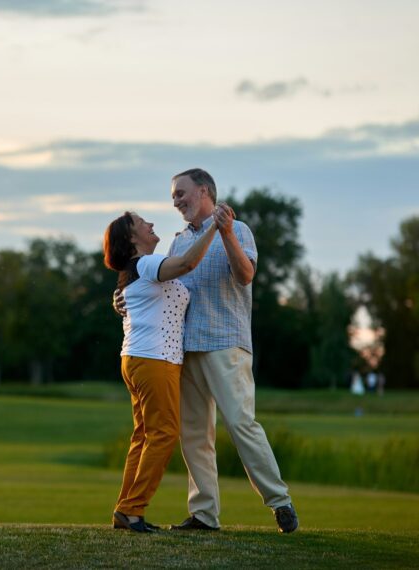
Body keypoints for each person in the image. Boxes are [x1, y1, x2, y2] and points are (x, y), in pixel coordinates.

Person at [116, 168, 298, 533]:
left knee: (241, 424)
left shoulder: (239, 229)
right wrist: (122, 297)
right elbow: (157, 287)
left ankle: (279, 501)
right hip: (183, 349)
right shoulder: (179, 242)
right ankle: (204, 514)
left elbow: (245, 275)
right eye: (173, 196)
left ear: (203, 191)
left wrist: (226, 231)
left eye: (181, 193)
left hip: (226, 343)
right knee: (196, 435)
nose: (176, 201)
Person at [103, 210, 219, 533]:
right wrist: (214, 229)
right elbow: (186, 265)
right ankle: (132, 509)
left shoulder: (140, 269)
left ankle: (126, 510)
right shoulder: (146, 264)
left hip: (139, 359)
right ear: (131, 238)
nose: (151, 225)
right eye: (143, 224)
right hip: (154, 360)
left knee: (143, 437)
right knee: (164, 433)